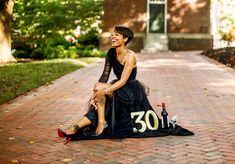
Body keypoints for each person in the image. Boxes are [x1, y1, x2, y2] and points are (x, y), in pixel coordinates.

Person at [57, 26, 194, 144]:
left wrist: (102, 91)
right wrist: (97, 93)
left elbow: (123, 81)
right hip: (117, 88)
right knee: (99, 95)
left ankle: (98, 123)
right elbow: (105, 75)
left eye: (116, 35)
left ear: (125, 39)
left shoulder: (130, 56)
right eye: (112, 34)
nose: (112, 37)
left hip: (131, 91)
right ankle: (76, 128)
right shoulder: (111, 53)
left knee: (100, 91)